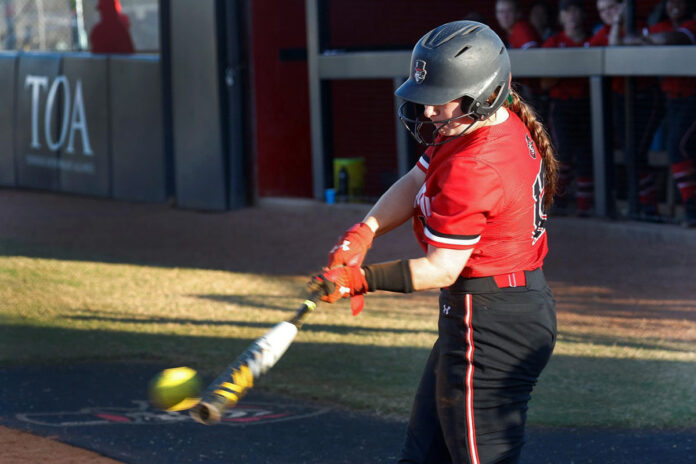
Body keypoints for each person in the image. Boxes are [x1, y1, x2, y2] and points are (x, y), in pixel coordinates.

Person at [310, 21, 558, 464]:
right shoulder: (479, 126)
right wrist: (363, 232)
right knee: (424, 455)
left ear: (483, 94)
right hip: (493, 312)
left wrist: (359, 280)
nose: (427, 112)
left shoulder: (476, 165)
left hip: (491, 324)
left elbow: (442, 268)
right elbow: (415, 180)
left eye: (441, 98)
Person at [622, 0, 696, 226]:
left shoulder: (692, 24)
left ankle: (692, 209)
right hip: (672, 100)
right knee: (676, 149)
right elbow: (627, 41)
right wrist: (647, 39)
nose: (674, 4)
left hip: (692, 98)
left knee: (679, 148)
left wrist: (646, 40)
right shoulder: (662, 24)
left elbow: (673, 39)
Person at [589, 0, 665, 220]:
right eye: (602, 10)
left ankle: (648, 206)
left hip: (646, 97)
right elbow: (607, 52)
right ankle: (642, 204)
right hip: (620, 99)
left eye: (611, 7)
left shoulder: (640, 26)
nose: (607, 13)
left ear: (623, 6)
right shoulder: (604, 32)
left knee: (636, 153)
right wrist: (615, 25)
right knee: (631, 152)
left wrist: (621, 22)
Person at [542, 0, 593, 214]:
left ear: (582, 14)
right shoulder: (553, 43)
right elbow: (544, 82)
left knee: (586, 156)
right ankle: (556, 204)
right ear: (560, 17)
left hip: (588, 106)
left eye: (574, 10)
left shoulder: (592, 41)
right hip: (562, 107)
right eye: (566, 11)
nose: (571, 15)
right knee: (562, 153)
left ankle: (585, 207)